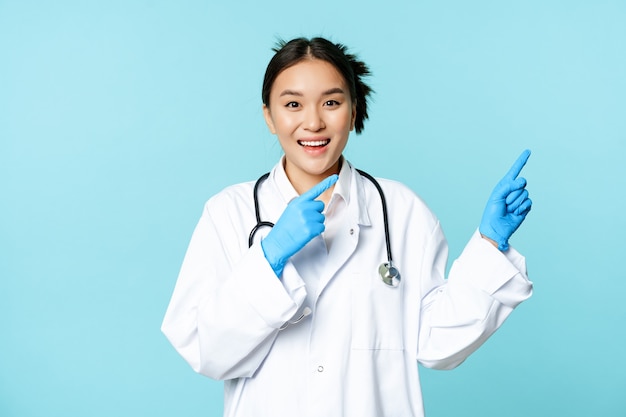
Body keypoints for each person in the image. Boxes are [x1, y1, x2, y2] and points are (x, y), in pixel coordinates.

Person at [162, 37, 533, 417]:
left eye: (332, 102)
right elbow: (205, 350)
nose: (313, 122)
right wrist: (268, 258)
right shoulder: (229, 213)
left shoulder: (401, 211)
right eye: (292, 104)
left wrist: (491, 243)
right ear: (269, 117)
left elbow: (437, 344)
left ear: (354, 112)